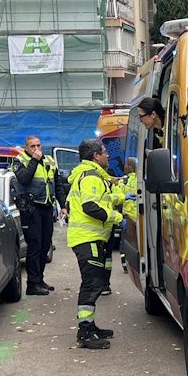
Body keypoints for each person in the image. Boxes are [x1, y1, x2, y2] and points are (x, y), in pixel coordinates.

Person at [66, 139, 124, 349]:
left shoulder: (91, 175)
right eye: (104, 152)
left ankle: (90, 325)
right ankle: (85, 332)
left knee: (95, 283)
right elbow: (90, 206)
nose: (108, 155)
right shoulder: (90, 176)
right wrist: (117, 219)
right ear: (95, 156)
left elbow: (102, 199)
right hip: (87, 238)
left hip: (88, 238)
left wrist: (121, 196)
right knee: (91, 284)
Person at [11, 136, 67, 295]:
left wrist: (63, 206)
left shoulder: (48, 160)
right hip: (31, 208)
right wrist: (34, 160)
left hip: (47, 207)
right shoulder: (19, 161)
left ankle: (39, 279)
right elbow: (24, 179)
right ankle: (32, 284)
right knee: (34, 246)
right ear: (26, 148)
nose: (36, 149)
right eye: (32, 146)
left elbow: (57, 185)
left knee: (44, 246)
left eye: (38, 145)